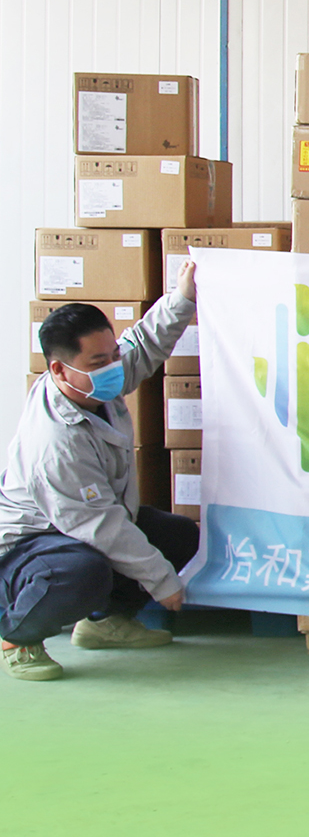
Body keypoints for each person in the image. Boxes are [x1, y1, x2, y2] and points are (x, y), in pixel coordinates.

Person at [0, 262, 200, 680]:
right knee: (81, 573)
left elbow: (143, 345)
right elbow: (101, 527)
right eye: (99, 361)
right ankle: (16, 636)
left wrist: (183, 298)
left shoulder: (90, 383)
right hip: (31, 542)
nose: (113, 366)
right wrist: (163, 582)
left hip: (83, 522)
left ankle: (103, 623)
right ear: (59, 369)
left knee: (179, 536)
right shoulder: (54, 444)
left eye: (112, 355)